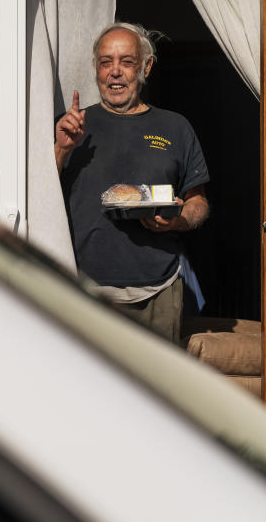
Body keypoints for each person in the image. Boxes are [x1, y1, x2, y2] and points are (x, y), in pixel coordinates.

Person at [55, 22, 210, 342]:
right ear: (96, 69)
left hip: (159, 293)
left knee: (155, 388)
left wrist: (177, 220)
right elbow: (37, 194)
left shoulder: (175, 127)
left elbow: (199, 202)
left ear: (146, 67)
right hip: (83, 291)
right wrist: (61, 149)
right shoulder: (72, 127)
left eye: (126, 61)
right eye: (105, 62)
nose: (115, 72)